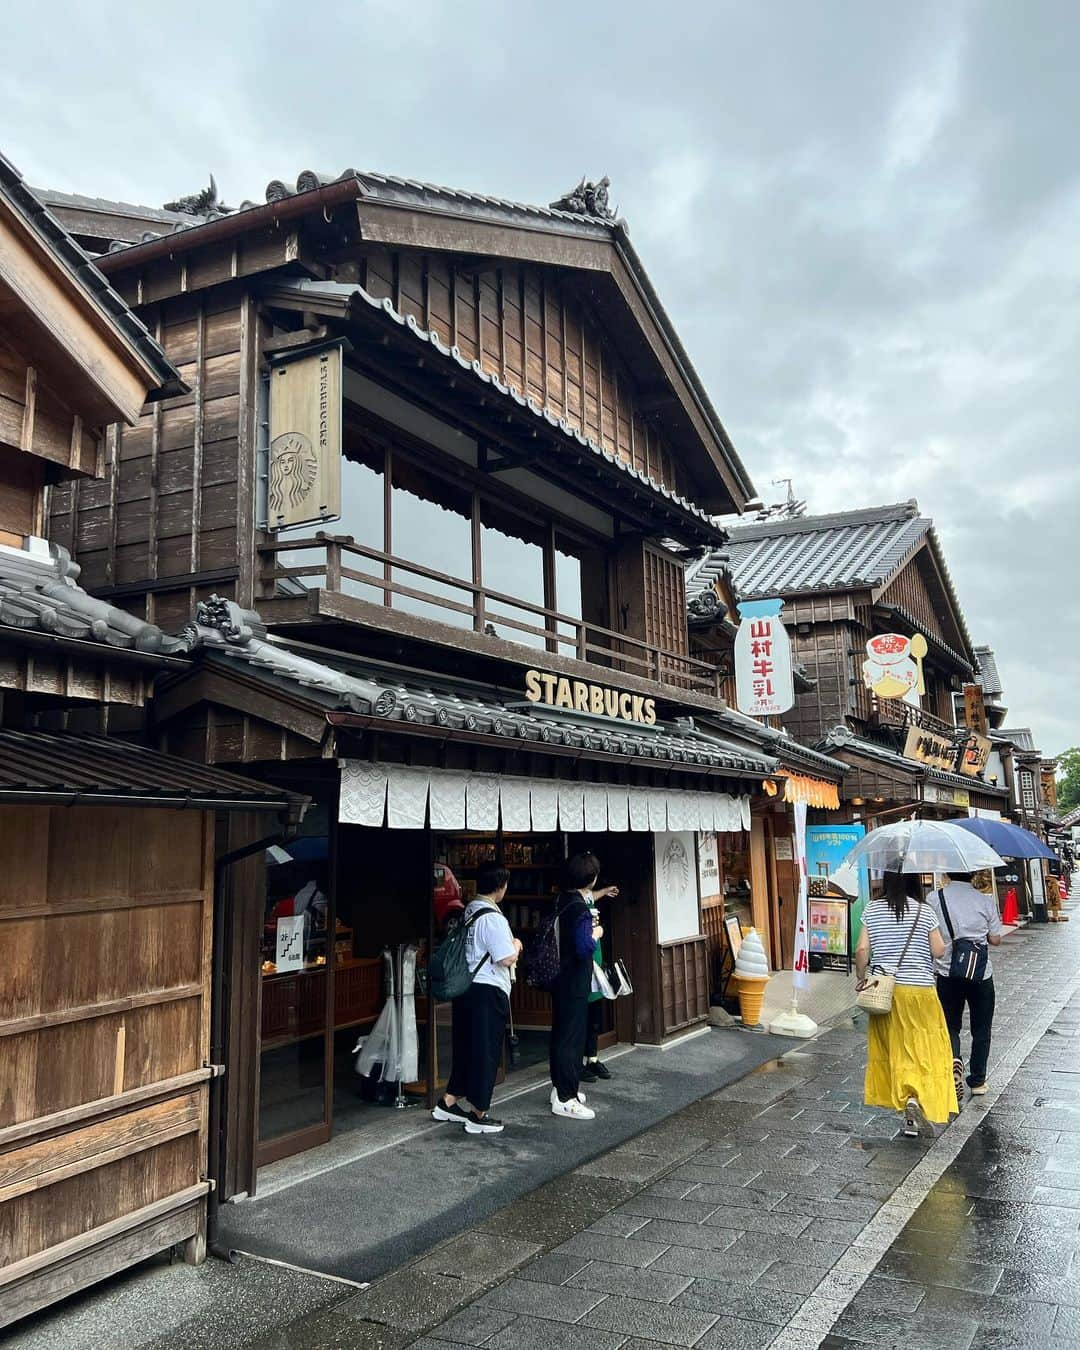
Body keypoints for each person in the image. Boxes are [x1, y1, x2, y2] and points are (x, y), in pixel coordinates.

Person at [855, 870, 956, 1136]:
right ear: (913, 881)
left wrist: (860, 976)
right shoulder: (924, 911)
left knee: (895, 1049)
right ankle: (915, 1099)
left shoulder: (872, 909)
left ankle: (907, 1114)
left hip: (885, 992)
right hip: (920, 991)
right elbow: (938, 951)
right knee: (925, 1048)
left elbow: (862, 950)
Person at [431, 865, 521, 1135]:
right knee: (486, 1052)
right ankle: (478, 1113)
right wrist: (517, 945)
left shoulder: (469, 910)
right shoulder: (493, 918)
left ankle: (448, 1102)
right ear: (500, 886)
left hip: (467, 988)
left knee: (467, 1047)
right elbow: (504, 957)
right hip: (487, 990)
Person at [549, 853, 618, 1119]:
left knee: (561, 1035)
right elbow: (583, 946)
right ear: (591, 878)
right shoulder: (578, 907)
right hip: (575, 980)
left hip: (560, 978)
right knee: (571, 1039)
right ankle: (567, 1098)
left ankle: (560, 1089)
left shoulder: (563, 900)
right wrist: (596, 933)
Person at [928, 870, 1003, 1102]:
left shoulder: (934, 899)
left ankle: (953, 1061)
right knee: (982, 1027)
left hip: (947, 972)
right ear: (972, 875)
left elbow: (929, 935)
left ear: (948, 874)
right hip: (980, 974)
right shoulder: (985, 901)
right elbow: (996, 939)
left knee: (950, 1025)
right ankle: (978, 1080)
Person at [581, 890, 614, 1082]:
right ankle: (577, 1063)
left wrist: (605, 891)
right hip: (582, 968)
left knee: (594, 1018)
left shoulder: (587, 899)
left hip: (595, 966)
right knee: (580, 1020)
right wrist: (597, 932)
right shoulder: (575, 905)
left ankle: (592, 1059)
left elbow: (592, 895)